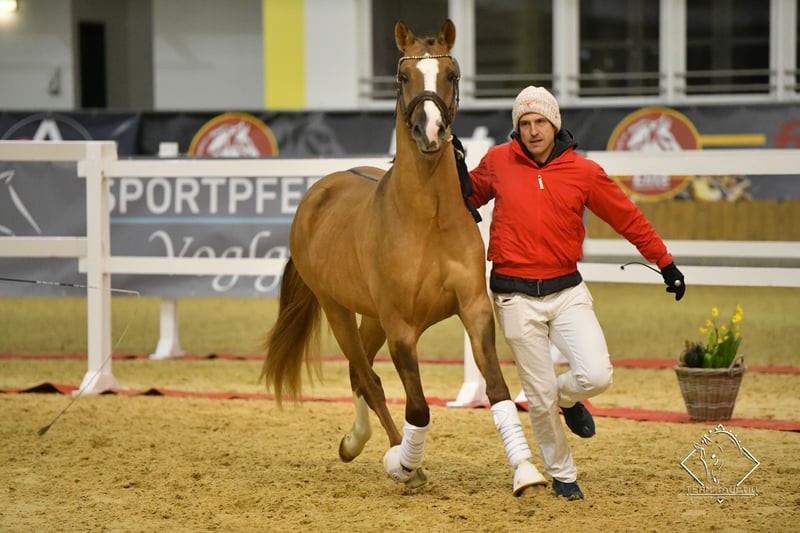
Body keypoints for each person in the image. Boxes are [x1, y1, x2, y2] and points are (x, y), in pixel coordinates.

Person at [459, 86, 685, 500]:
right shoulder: (497, 162)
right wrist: (452, 169)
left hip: (567, 291)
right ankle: (563, 475)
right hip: (514, 296)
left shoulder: (584, 172)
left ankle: (566, 398)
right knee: (538, 397)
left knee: (596, 375)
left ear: (554, 124)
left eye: (540, 122)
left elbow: (628, 218)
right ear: (517, 128)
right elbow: (465, 196)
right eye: (525, 124)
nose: (533, 131)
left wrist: (664, 261)